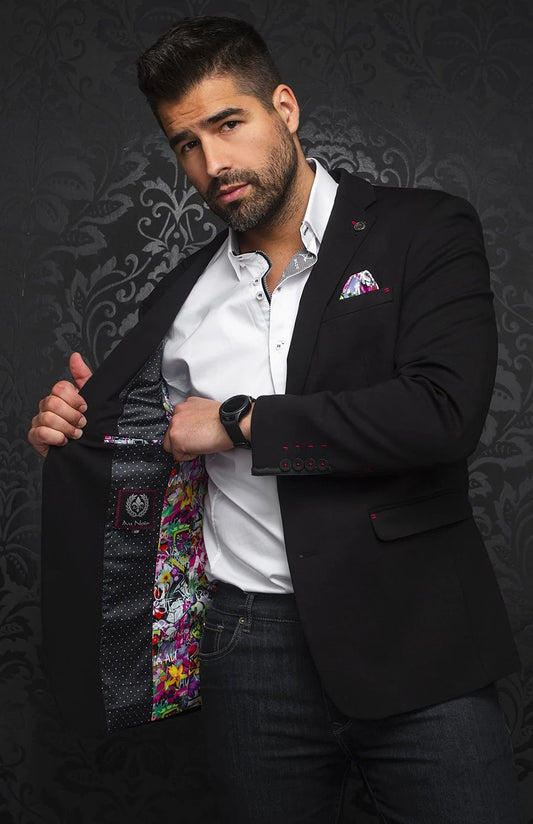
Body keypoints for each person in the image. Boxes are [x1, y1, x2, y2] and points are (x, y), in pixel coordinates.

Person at [29, 15, 523, 824]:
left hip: (414, 633)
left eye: (229, 124)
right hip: (244, 645)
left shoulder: (420, 230)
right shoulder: (184, 295)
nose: (212, 163)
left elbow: (440, 415)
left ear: (283, 109)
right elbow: (136, 443)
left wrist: (238, 420)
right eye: (186, 143)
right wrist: (72, 425)